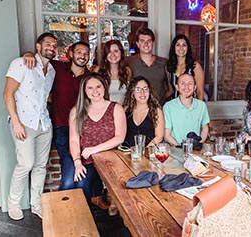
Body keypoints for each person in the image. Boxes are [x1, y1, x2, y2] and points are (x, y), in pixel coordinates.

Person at [3, 32, 57, 220]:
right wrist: (15, 122)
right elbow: (7, 94)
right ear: (38, 46)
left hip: (44, 124)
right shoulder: (20, 64)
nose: (51, 47)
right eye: (48, 44)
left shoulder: (51, 71)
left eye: (54, 45)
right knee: (26, 164)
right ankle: (13, 203)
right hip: (24, 123)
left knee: (41, 166)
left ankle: (36, 204)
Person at [59, 73, 126, 202]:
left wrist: (94, 149)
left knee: (82, 185)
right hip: (80, 155)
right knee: (67, 185)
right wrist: (77, 162)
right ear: (84, 90)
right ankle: (65, 219)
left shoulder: (116, 108)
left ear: (104, 88)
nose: (95, 91)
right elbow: (73, 140)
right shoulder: (77, 111)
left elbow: (119, 137)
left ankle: (83, 220)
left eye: (98, 86)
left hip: (103, 157)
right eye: (90, 88)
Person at [23, 41, 91, 166]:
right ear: (71, 54)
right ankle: (69, 185)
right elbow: (41, 59)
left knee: (85, 161)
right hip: (61, 125)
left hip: (83, 126)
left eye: (86, 53)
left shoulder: (90, 77)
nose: (83, 56)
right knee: (67, 161)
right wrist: (28, 54)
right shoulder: (57, 67)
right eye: (79, 52)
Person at [126, 28, 171, 105]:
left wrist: (161, 100)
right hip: (137, 109)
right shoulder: (129, 62)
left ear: (153, 42)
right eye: (142, 41)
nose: (146, 44)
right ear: (137, 43)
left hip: (159, 108)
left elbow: (170, 90)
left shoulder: (164, 63)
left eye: (149, 41)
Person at [163, 73, 210, 145]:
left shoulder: (201, 106)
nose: (186, 87)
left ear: (195, 87)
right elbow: (167, 135)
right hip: (176, 150)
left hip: (195, 151)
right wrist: (181, 148)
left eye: (190, 84)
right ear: (177, 87)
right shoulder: (168, 107)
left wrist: (199, 143)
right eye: (182, 83)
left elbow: (205, 128)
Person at [122, 76, 164, 147]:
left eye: (145, 89)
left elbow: (159, 137)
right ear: (132, 92)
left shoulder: (156, 110)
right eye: (138, 89)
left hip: (148, 152)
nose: (142, 92)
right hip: (127, 151)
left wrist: (144, 150)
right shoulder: (125, 109)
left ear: (149, 92)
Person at [91, 40, 132, 104]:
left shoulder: (127, 71)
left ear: (121, 53)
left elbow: (128, 96)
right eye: (109, 52)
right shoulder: (98, 70)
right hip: (102, 110)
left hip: (122, 111)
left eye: (116, 51)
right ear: (105, 54)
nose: (113, 54)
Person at [167, 34, 205, 100]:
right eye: (178, 45)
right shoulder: (169, 67)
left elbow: (200, 92)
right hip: (174, 106)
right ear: (174, 48)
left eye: (184, 45)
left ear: (188, 48)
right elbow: (171, 91)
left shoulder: (195, 66)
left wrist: (199, 109)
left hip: (191, 106)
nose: (181, 48)